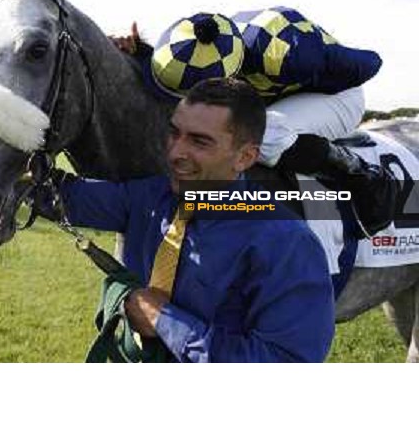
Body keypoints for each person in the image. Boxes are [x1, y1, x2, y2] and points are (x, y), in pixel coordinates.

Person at [48, 78, 335, 362]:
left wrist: (165, 322)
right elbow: (62, 197)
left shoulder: (287, 243)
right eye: (174, 133)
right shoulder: (151, 196)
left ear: (245, 157)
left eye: (199, 141)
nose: (174, 153)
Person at [110, 8, 398, 238]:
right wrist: (138, 52)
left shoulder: (286, 51)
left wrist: (315, 61)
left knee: (263, 133)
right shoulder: (195, 43)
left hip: (336, 95)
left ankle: (362, 175)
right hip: (273, 94)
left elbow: (370, 63)